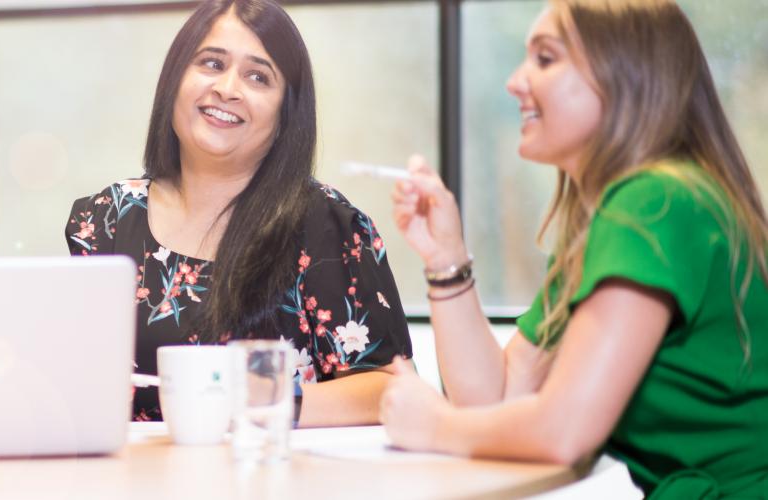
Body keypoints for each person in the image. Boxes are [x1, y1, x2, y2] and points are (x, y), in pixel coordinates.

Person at [379, 0, 768, 496]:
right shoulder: (618, 217)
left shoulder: (654, 204)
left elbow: (564, 430)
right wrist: (445, 259)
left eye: (545, 58)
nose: (515, 81)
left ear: (625, 76)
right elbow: (495, 396)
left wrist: (432, 426)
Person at [64, 0, 411, 426]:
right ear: (174, 81)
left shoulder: (326, 225)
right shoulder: (105, 219)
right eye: (212, 63)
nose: (228, 88)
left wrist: (247, 403)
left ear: (286, 113)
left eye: (257, 76)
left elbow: (389, 387)